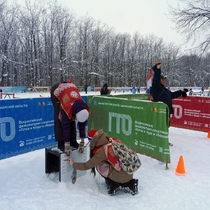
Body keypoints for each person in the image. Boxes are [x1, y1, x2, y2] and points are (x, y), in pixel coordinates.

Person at [66, 129, 139, 196]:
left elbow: (87, 165)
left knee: (99, 165)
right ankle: (130, 183)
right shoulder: (114, 140)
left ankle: (114, 184)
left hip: (119, 176)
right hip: (129, 172)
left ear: (93, 141)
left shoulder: (102, 151)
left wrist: (73, 164)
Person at [151, 59, 188, 146]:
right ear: (159, 80)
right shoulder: (156, 88)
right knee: (160, 127)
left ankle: (163, 141)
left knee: (165, 127)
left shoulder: (165, 90)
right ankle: (158, 142)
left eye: (165, 80)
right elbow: (155, 80)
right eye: (163, 79)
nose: (164, 81)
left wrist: (181, 92)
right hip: (159, 112)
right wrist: (158, 69)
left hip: (166, 112)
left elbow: (172, 95)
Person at [51, 81, 90, 155]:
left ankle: (73, 140)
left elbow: (82, 126)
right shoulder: (67, 108)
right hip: (56, 91)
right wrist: (67, 145)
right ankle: (61, 142)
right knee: (60, 118)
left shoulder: (84, 110)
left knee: (71, 118)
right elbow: (66, 127)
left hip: (70, 92)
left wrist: (82, 142)